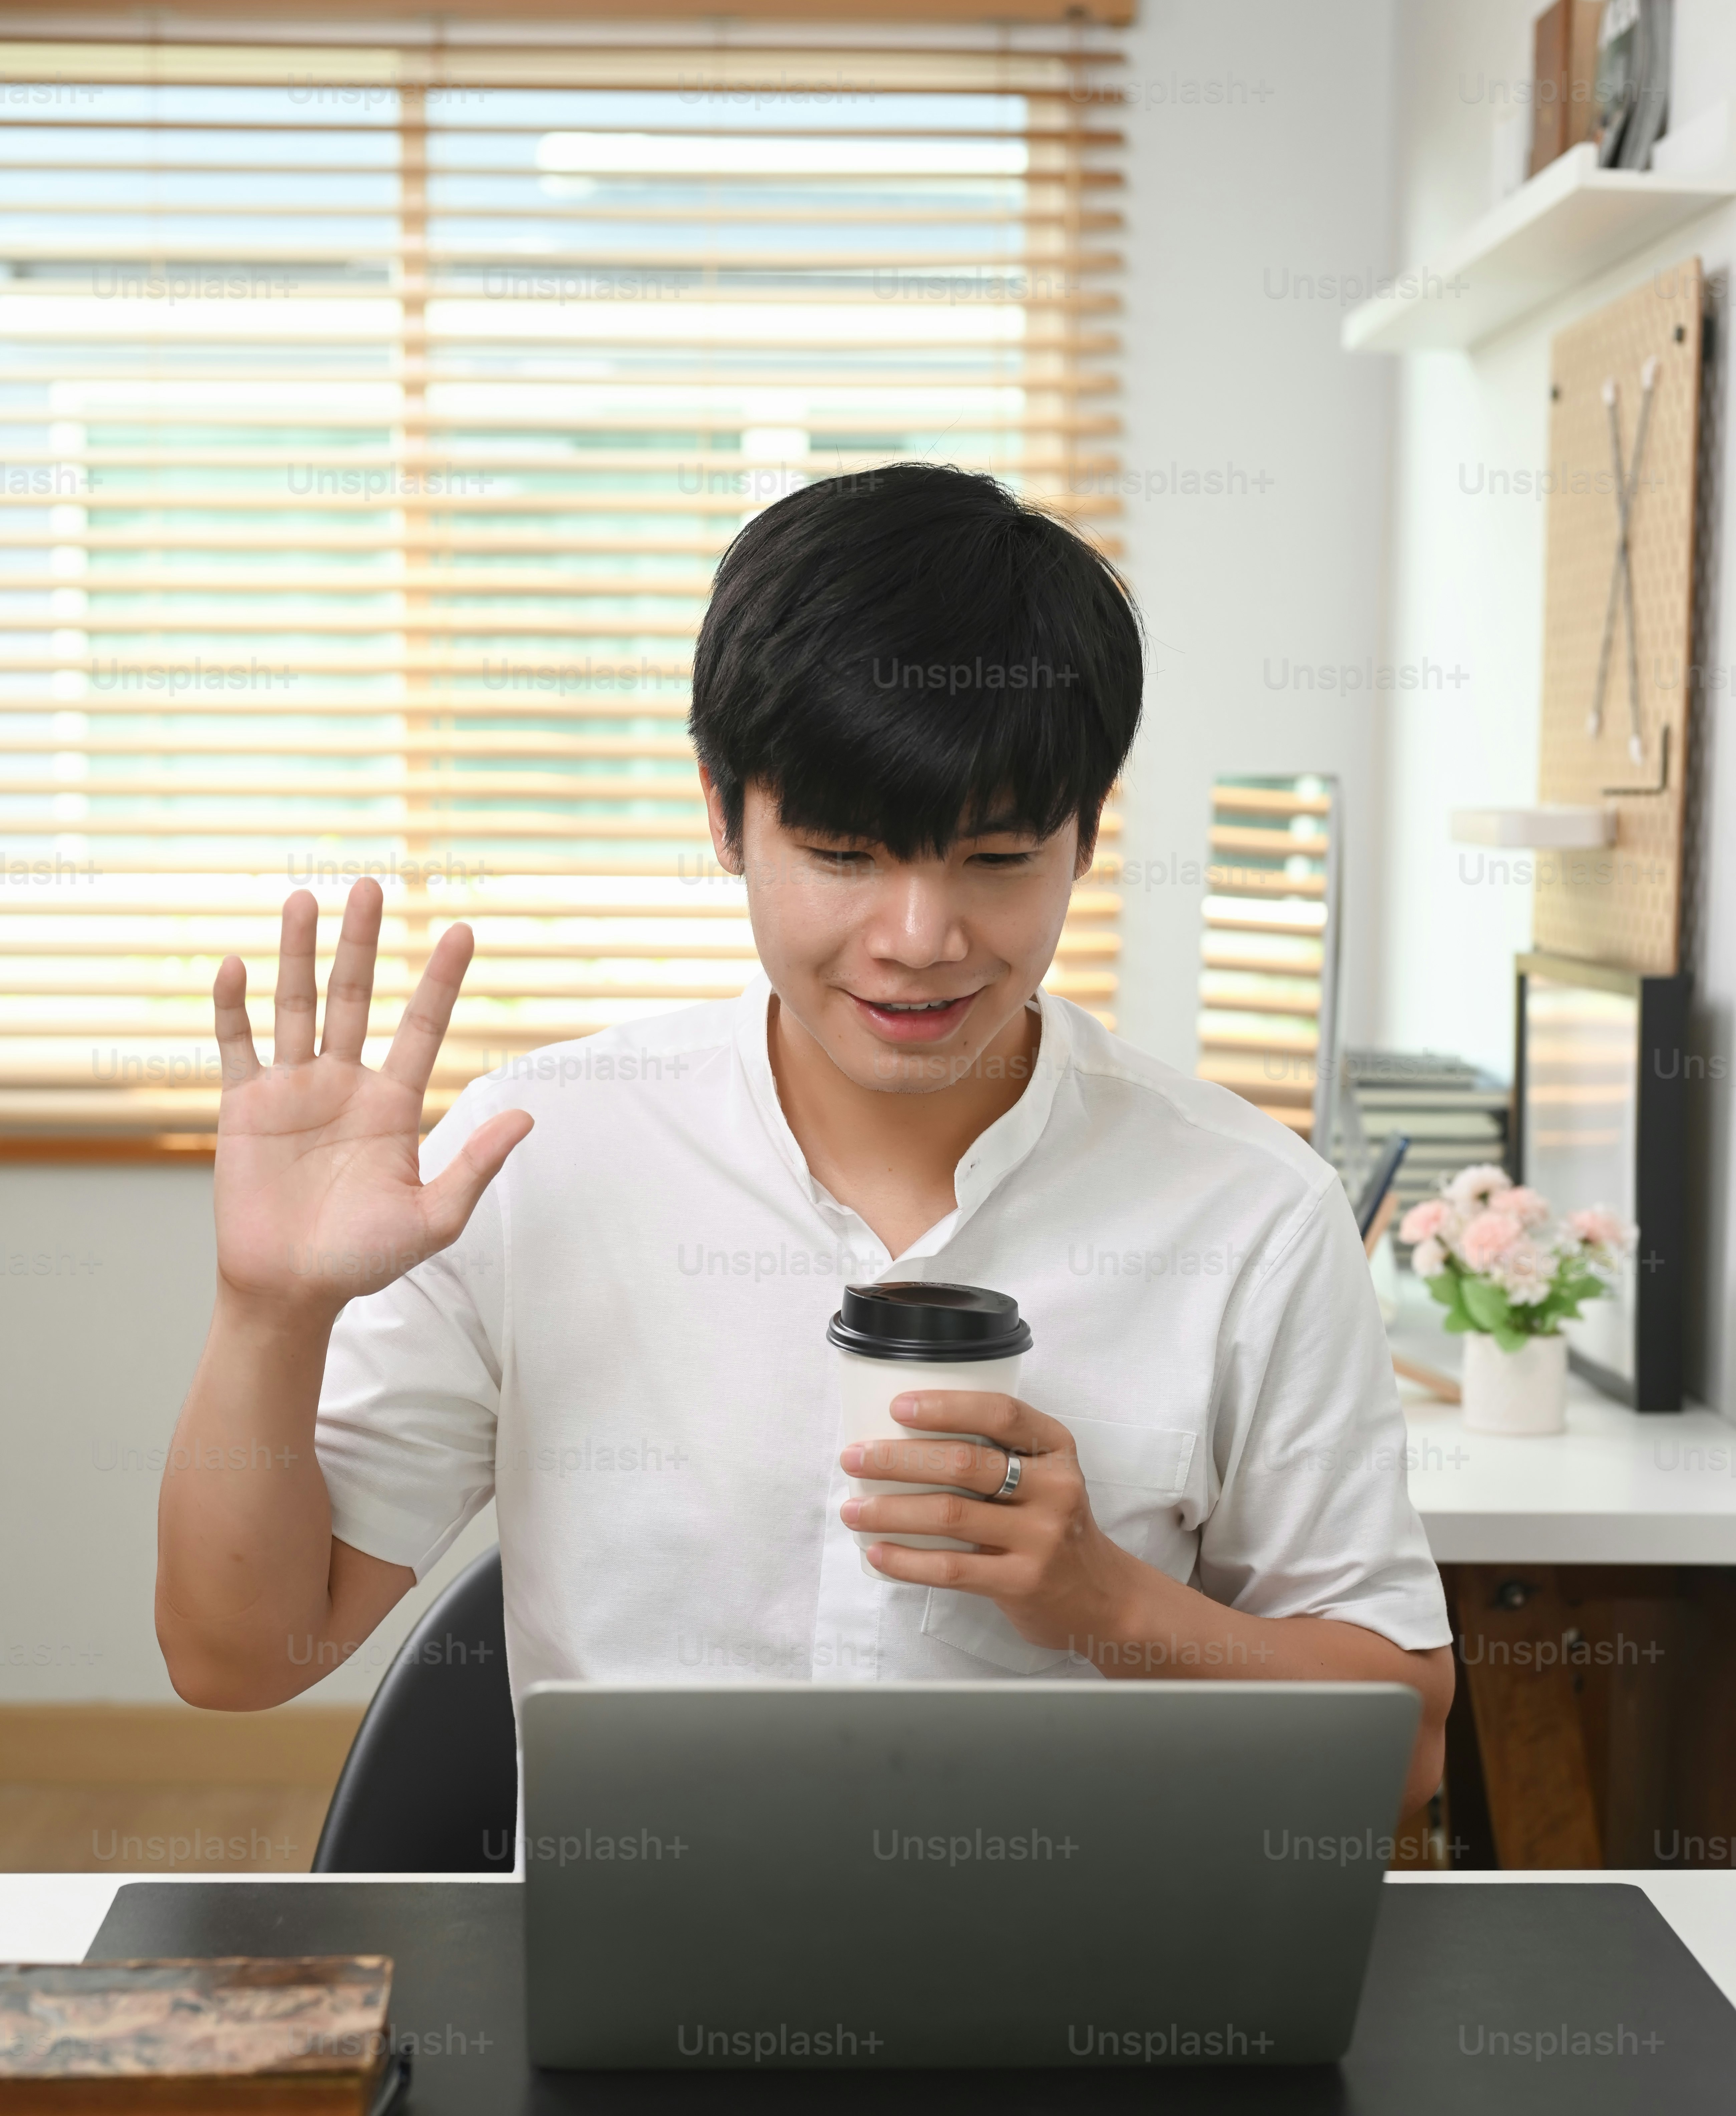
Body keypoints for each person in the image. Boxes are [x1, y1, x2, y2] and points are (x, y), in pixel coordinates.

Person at [156, 464, 1452, 1818]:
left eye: (997, 858)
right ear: (724, 814)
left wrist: (1104, 1601)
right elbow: (234, 1656)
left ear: (1086, 828)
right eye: (842, 854)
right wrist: (269, 1313)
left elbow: (1408, 1758)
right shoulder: (537, 1158)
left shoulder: (1247, 1208)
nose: (919, 938)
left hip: (1090, 2001)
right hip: (638, 1991)